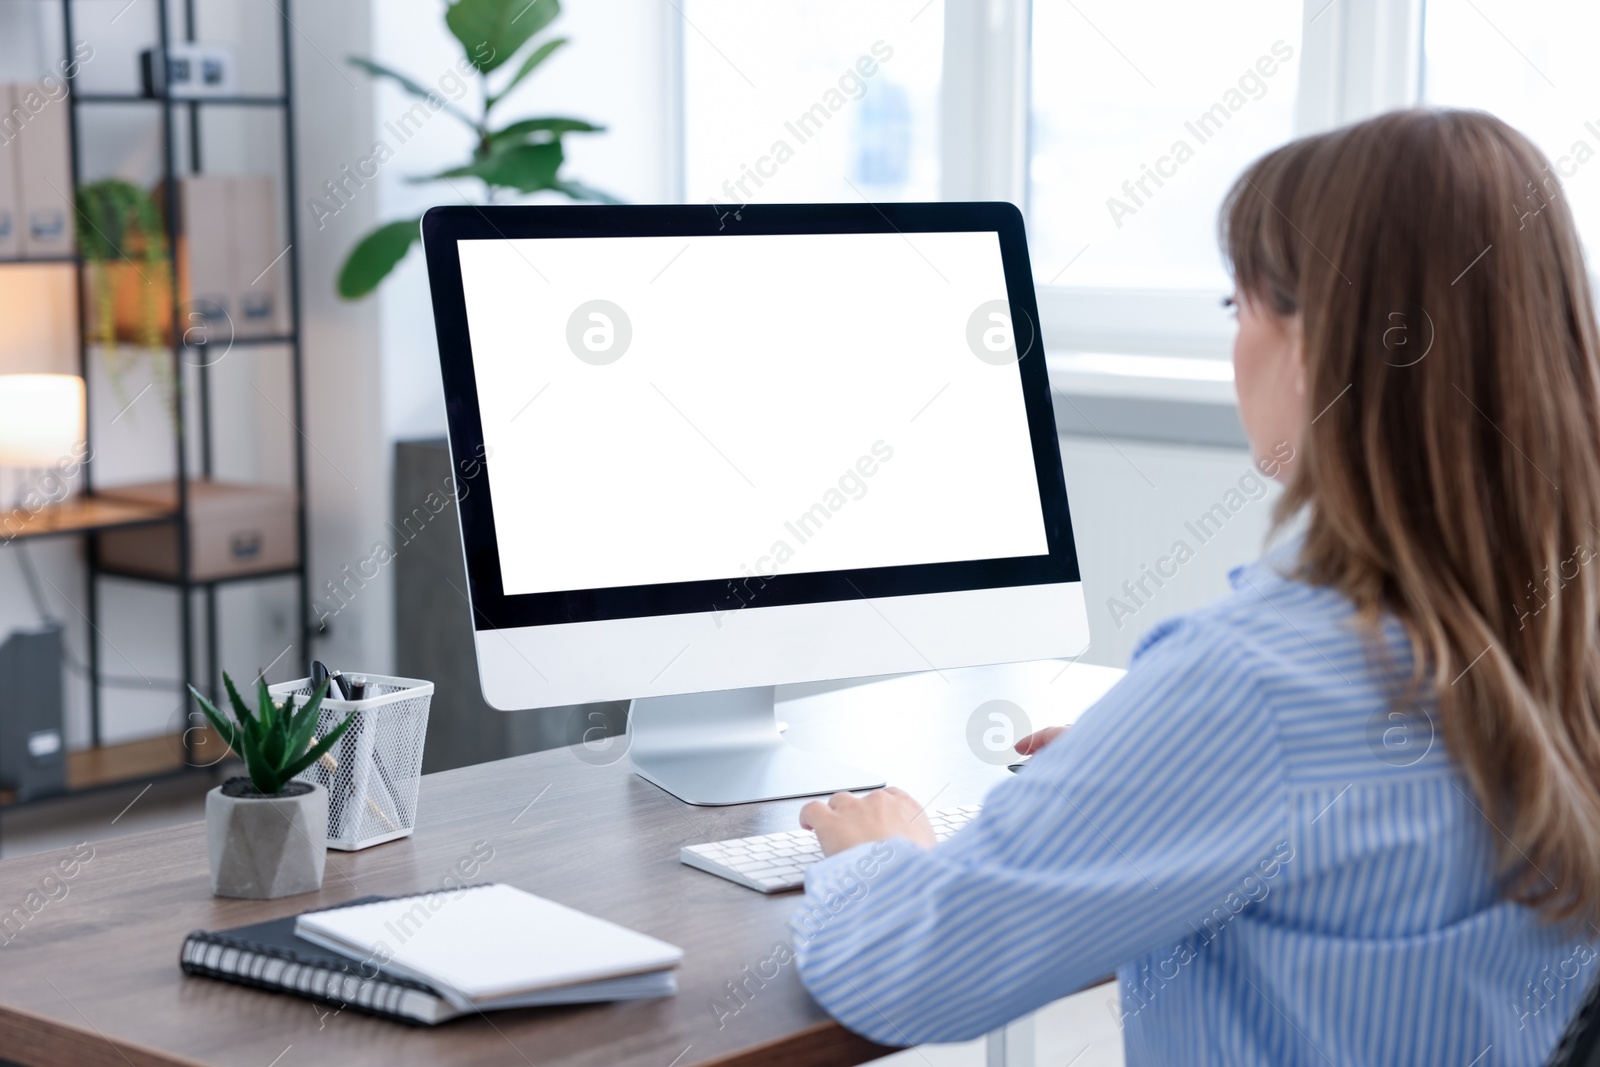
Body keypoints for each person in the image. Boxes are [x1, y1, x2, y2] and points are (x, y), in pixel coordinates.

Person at [793, 108, 1600, 1065]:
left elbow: (910, 969)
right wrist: (1151, 760)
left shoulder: (1257, 681)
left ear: (1319, 345)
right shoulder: (1560, 636)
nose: (1235, 347)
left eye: (1238, 307)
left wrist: (879, 853)